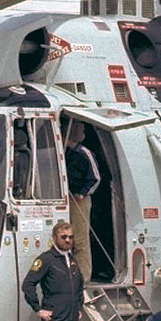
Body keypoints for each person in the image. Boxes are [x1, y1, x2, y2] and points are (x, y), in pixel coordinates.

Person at [62, 119, 100, 281]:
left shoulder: (84, 153)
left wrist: (83, 193)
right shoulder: (64, 153)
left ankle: (84, 277)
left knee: (80, 239)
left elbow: (96, 178)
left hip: (79, 199)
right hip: (66, 197)